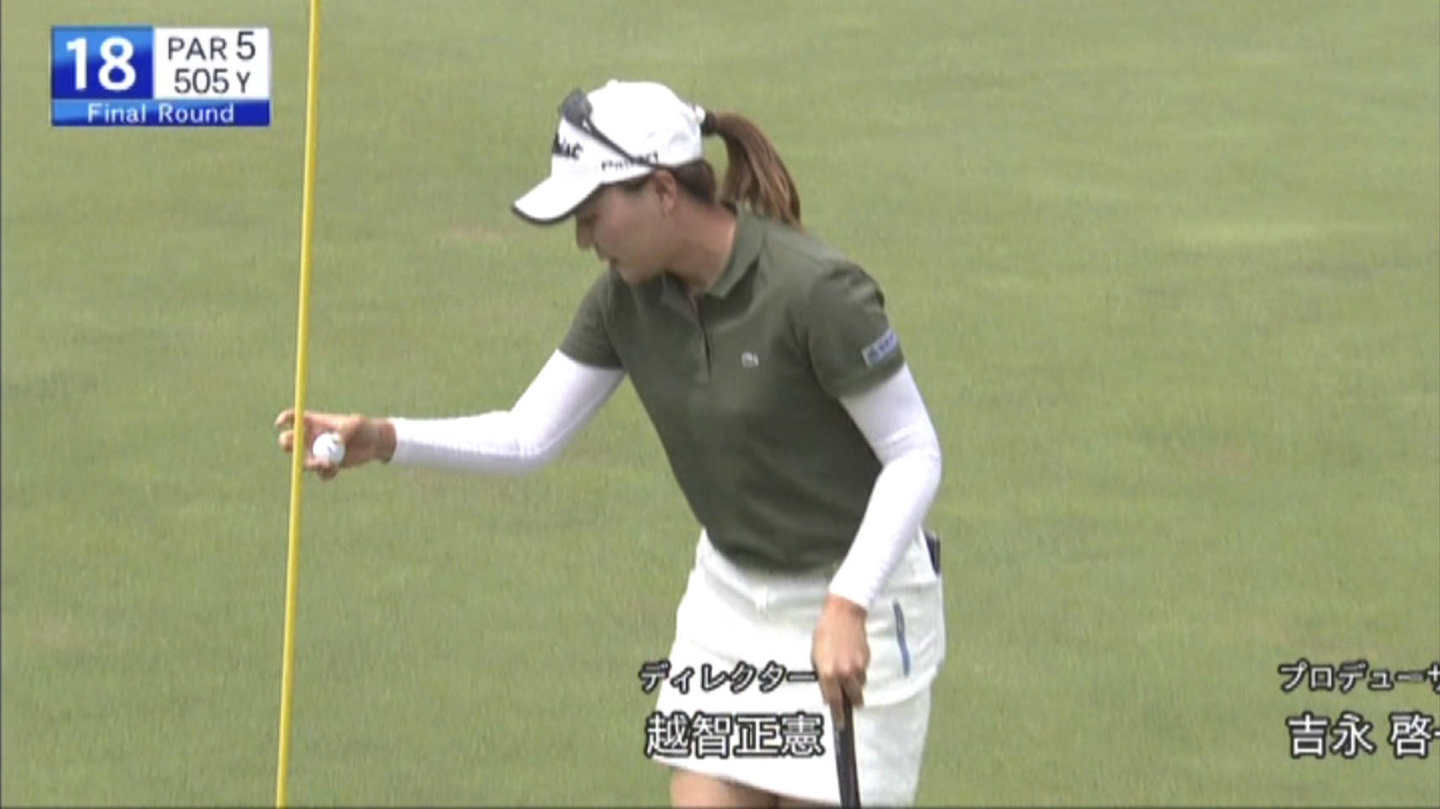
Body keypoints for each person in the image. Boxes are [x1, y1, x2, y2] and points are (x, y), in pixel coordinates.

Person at [275, 79, 946, 808]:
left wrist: (847, 603)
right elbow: (527, 435)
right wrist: (383, 438)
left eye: (593, 215)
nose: (584, 239)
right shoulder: (625, 300)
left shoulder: (814, 290)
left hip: (857, 599)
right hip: (730, 604)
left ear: (662, 190)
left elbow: (913, 452)